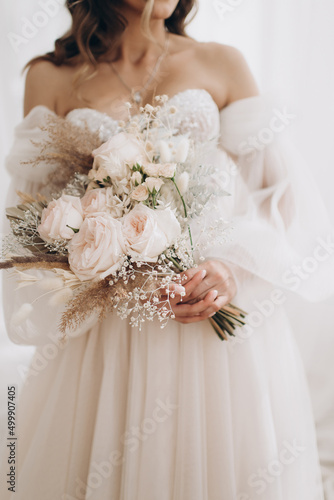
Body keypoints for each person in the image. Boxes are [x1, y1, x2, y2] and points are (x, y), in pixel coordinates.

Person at [1, 1, 333, 498]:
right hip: (105, 332)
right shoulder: (51, 76)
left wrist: (232, 268)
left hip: (210, 324)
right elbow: (29, 225)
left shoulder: (222, 63)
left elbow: (284, 203)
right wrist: (95, 247)